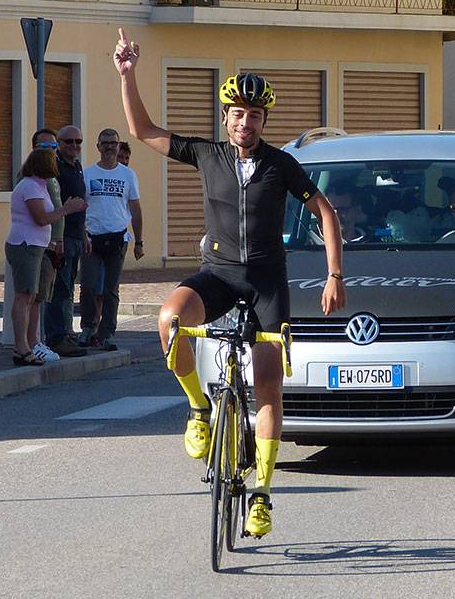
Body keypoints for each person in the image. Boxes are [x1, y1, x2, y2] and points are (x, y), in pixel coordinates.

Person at [114, 28, 346, 537]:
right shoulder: (206, 155)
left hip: (267, 282)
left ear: (264, 121)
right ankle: (199, 407)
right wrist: (127, 74)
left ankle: (261, 491)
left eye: (255, 115)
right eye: (237, 114)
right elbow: (142, 129)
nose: (246, 122)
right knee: (170, 320)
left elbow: (327, 213)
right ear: (225, 118)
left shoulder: (281, 165)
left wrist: (334, 275)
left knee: (267, 387)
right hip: (218, 273)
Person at [6, 147, 88, 366]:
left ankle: (29, 343)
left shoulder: (40, 185)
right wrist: (67, 209)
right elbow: (41, 218)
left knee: (32, 296)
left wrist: (68, 207)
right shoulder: (30, 185)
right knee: (24, 296)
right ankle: (20, 347)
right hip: (25, 245)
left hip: (37, 246)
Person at [79, 128, 144, 352]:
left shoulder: (128, 175)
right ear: (97, 146)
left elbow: (135, 208)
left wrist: (139, 241)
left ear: (118, 146)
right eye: (105, 143)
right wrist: (83, 234)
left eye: (113, 143)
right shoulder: (87, 174)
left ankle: (107, 333)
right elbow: (79, 207)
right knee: (87, 286)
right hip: (92, 238)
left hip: (118, 238)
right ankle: (88, 328)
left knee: (110, 290)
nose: (109, 147)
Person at [41, 124, 91, 358]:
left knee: (68, 288)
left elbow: (79, 203)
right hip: (60, 237)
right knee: (58, 289)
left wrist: (84, 234)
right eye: (69, 142)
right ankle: (56, 337)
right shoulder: (55, 168)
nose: (74, 146)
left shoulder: (77, 167)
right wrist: (58, 237)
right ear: (59, 144)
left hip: (76, 235)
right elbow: (55, 203)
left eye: (78, 142)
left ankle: (65, 332)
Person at [27, 129, 65, 362]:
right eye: (44, 148)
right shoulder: (32, 178)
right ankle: (30, 342)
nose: (50, 152)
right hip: (36, 244)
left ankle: (35, 340)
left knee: (42, 295)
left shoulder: (52, 176)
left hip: (52, 243)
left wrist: (59, 239)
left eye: (53, 147)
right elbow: (42, 215)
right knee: (32, 296)